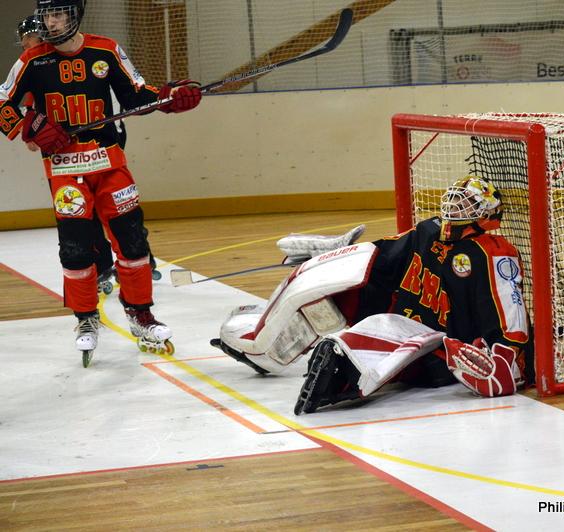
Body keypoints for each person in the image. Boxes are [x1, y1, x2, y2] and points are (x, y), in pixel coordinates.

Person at [212, 176, 535, 414]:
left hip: (439, 341)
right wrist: (335, 252)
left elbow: (509, 308)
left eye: (466, 204)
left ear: (487, 214)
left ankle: (341, 373)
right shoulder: (426, 231)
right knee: (336, 291)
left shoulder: (492, 253)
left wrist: (508, 355)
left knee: (377, 336)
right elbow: (380, 255)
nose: (455, 207)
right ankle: (263, 349)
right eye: (454, 199)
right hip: (403, 317)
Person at [0, 0, 202, 359]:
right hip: (64, 171)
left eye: (59, 13)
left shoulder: (106, 50)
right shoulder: (31, 62)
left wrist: (169, 98)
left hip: (109, 164)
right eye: (47, 14)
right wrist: (28, 125)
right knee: (76, 248)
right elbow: (2, 103)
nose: (52, 21)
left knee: (133, 241)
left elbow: (136, 94)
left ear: (75, 14)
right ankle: (85, 318)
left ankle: (141, 314)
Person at [15, 14, 116, 297]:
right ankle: (102, 263)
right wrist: (30, 130)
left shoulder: (74, 56)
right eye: (23, 42)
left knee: (105, 203)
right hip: (62, 152)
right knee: (76, 209)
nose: (26, 47)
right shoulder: (36, 64)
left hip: (98, 142)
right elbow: (32, 108)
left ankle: (122, 256)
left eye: (30, 40)